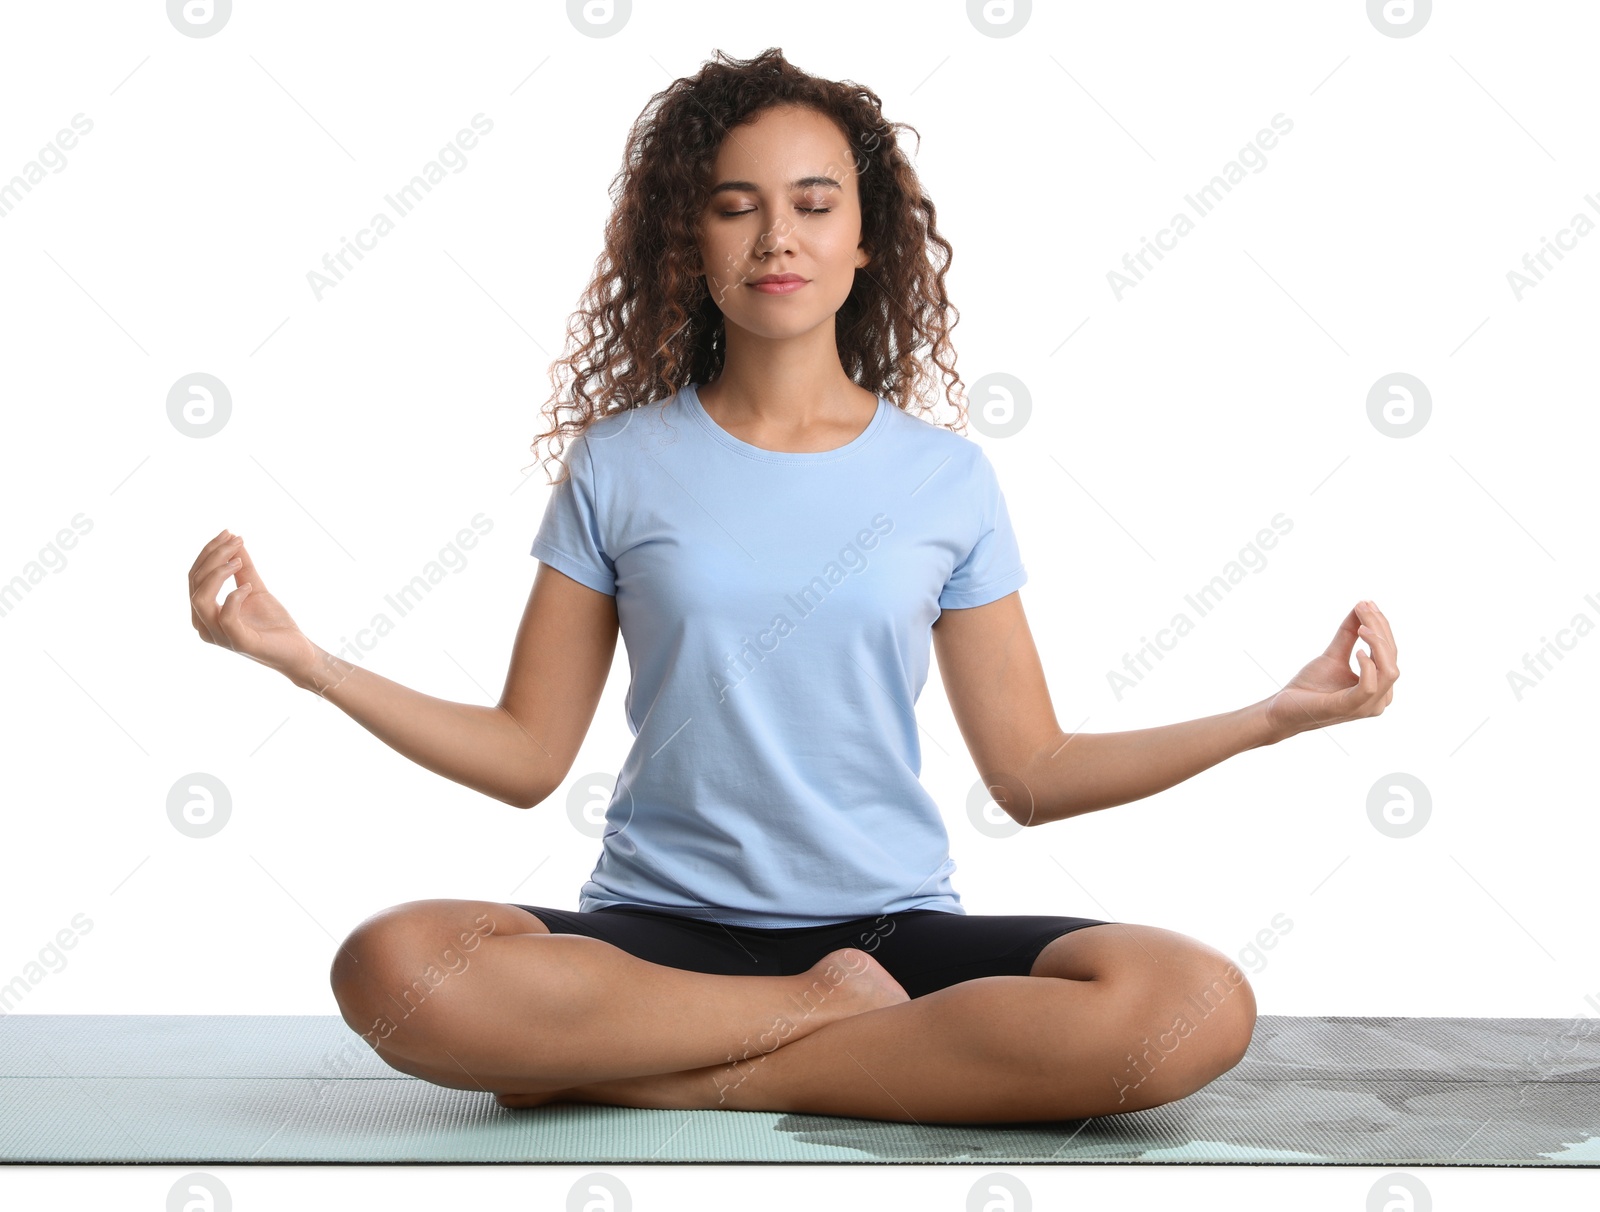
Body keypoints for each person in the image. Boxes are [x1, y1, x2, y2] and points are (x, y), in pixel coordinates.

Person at [186, 48, 1398, 1125]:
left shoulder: (944, 480)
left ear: (865, 240)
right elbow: (524, 756)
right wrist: (306, 658)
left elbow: (1030, 774)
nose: (777, 238)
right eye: (736, 207)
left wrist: (1269, 718)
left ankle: (686, 1068)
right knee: (395, 967)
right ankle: (816, 1020)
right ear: (690, 240)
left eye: (815, 204)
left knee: (1191, 1004)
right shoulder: (620, 464)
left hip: (888, 935)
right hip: (655, 937)